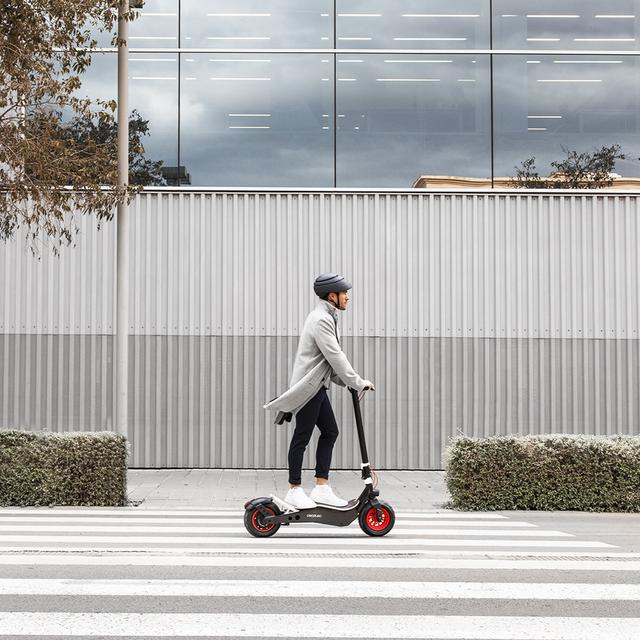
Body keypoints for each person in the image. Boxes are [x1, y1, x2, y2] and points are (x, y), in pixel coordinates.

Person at [264, 273, 374, 509]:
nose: (347, 298)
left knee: (330, 432)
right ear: (332, 296)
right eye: (344, 293)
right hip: (308, 388)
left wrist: (349, 383)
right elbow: (335, 356)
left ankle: (322, 487)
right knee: (302, 437)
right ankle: (294, 489)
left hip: (317, 385)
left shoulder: (327, 317)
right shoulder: (321, 320)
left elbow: (327, 362)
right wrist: (356, 381)